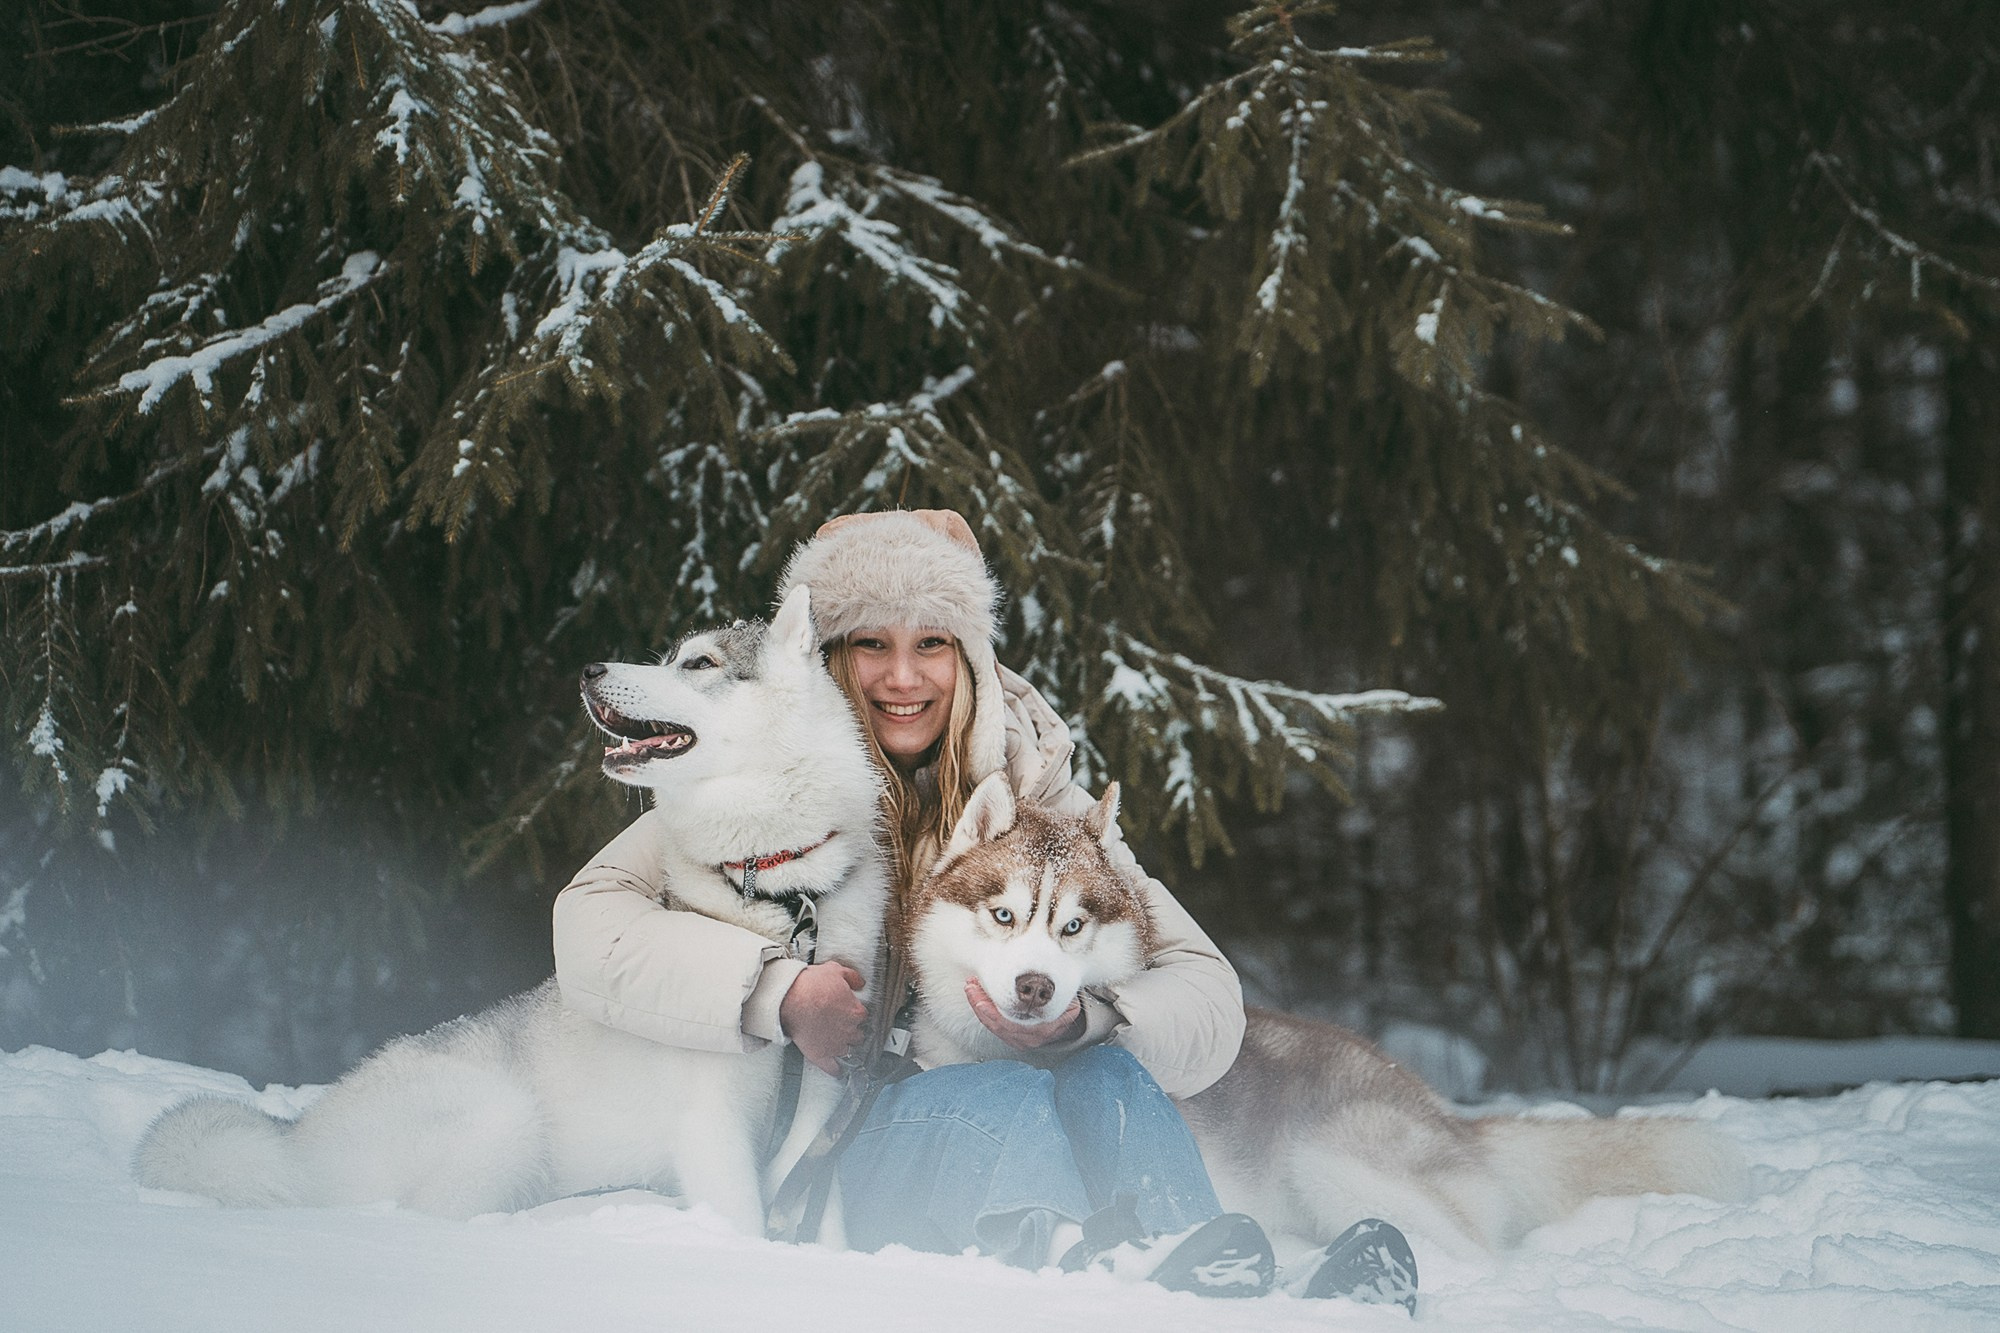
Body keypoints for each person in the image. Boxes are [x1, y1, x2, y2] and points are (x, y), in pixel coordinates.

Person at [551, 509, 1415, 1305]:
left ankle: (1216, 1274)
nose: (902, 675)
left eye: (931, 641)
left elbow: (1204, 991)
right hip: (850, 1145)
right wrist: (775, 990)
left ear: (968, 658)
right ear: (824, 661)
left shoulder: (1040, 799)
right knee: (1003, 1098)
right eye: (871, 643)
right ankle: (1119, 1278)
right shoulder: (765, 785)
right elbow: (588, 924)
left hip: (998, 1124)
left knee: (1108, 1074)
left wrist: (1092, 1017)